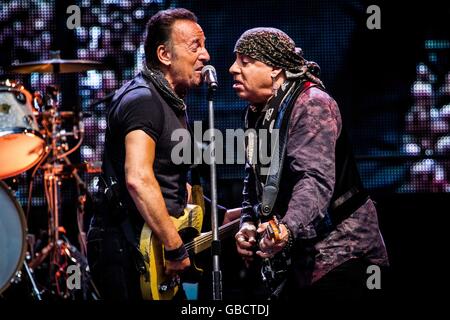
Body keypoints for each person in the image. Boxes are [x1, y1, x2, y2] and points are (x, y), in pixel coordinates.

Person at [231, 28, 389, 301]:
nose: (233, 69)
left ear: (275, 69)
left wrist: (287, 229)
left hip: (343, 254)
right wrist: (247, 221)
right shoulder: (258, 112)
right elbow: (254, 177)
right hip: (301, 258)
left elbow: (314, 179)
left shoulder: (312, 104)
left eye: (245, 62)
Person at [86, 8, 211, 300]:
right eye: (195, 46)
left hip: (151, 246)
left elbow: (166, 178)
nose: (205, 56)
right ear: (164, 55)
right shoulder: (143, 99)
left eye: (204, 46)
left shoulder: (170, 101)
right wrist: (174, 245)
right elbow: (139, 178)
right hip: (126, 247)